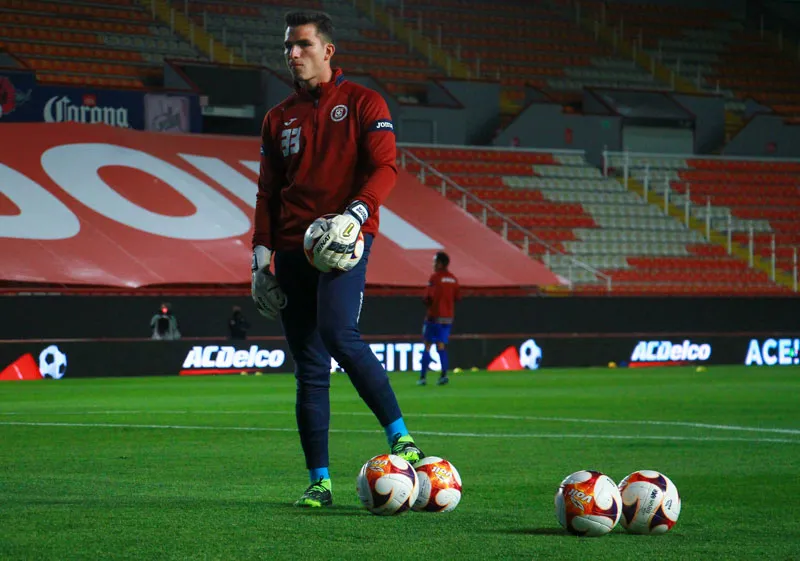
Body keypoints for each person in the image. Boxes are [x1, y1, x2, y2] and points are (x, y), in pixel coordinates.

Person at [249, 10, 424, 508]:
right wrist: (259, 262)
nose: (292, 54)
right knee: (308, 366)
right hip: (290, 249)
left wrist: (356, 213)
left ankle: (400, 437)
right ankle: (319, 482)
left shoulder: (365, 102)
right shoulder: (277, 118)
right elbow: (267, 193)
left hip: (345, 239)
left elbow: (386, 166)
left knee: (337, 332)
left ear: (327, 50)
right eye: (287, 46)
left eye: (302, 44)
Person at [418, 252, 460, 386]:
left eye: (435, 262)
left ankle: (423, 377)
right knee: (441, 346)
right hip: (448, 318)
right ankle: (443, 376)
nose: (433, 265)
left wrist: (428, 304)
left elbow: (428, 297)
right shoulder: (453, 279)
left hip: (434, 317)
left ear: (440, 263)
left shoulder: (435, 278)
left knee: (427, 345)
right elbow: (457, 297)